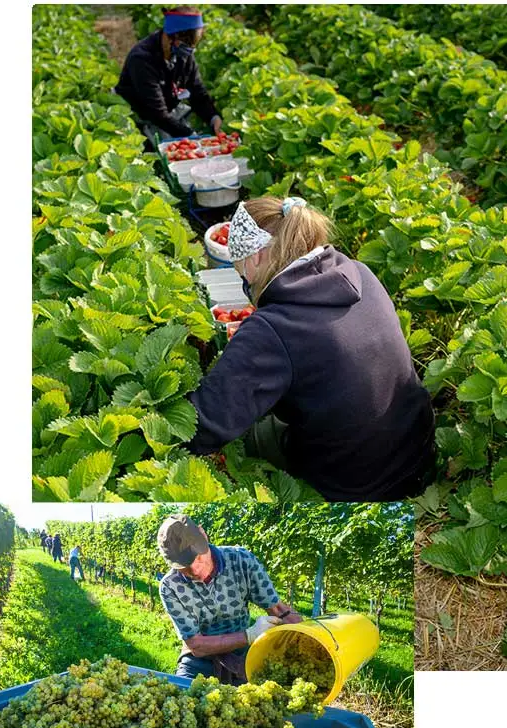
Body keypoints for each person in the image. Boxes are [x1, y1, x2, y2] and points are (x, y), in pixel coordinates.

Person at [185, 196, 436, 502]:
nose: (245, 282)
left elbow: (203, 427)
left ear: (257, 257)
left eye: (241, 272)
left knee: (254, 433)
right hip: (415, 459)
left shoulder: (273, 329)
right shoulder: (359, 272)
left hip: (353, 488)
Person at [157, 514, 301, 684]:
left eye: (197, 557)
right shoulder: (170, 586)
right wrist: (249, 635)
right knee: (183, 697)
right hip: (200, 660)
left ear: (203, 535)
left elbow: (278, 609)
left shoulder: (242, 561)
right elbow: (196, 645)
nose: (194, 570)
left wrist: (311, 638)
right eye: (183, 567)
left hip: (243, 654)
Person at [115, 6, 221, 143]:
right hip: (141, 114)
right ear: (170, 36)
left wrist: (214, 117)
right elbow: (157, 113)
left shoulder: (183, 54)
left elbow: (197, 92)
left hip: (168, 109)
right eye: (187, 43)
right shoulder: (142, 59)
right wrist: (190, 135)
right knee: (166, 147)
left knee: (186, 134)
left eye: (193, 44)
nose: (190, 49)